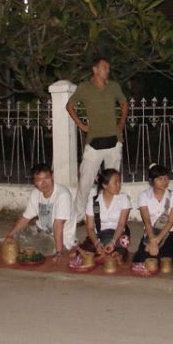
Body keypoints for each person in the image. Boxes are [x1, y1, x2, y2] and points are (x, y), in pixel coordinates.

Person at [66, 57, 129, 221]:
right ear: (95, 69)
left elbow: (124, 103)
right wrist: (81, 124)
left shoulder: (113, 86)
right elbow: (69, 105)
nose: (108, 70)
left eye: (108, 67)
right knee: (85, 183)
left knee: (113, 183)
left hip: (114, 142)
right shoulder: (84, 88)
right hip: (94, 143)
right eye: (104, 67)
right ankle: (78, 217)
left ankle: (111, 216)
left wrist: (121, 122)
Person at [4, 163, 77, 261]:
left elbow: (58, 225)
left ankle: (33, 246)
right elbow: (26, 218)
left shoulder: (62, 195)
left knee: (46, 248)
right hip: (40, 231)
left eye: (46, 178)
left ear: (52, 176)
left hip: (60, 239)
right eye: (39, 180)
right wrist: (9, 235)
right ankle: (30, 244)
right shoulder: (36, 193)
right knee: (14, 237)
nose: (44, 183)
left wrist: (59, 253)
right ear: (34, 182)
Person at [132, 163, 173, 263]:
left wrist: (157, 241)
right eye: (160, 179)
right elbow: (147, 220)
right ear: (151, 181)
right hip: (151, 232)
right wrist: (152, 239)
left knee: (162, 260)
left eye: (166, 178)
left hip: (168, 233)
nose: (165, 182)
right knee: (140, 259)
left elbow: (170, 222)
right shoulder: (144, 195)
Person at [81, 169, 132, 262]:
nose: (119, 185)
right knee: (93, 249)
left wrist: (113, 242)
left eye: (119, 182)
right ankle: (108, 252)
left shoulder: (123, 199)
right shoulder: (93, 202)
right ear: (105, 185)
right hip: (100, 234)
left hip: (118, 234)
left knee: (118, 247)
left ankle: (112, 251)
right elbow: (90, 228)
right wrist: (96, 243)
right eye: (115, 182)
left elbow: (121, 224)